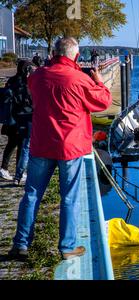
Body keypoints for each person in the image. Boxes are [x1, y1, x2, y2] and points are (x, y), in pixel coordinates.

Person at [9, 37, 112, 261]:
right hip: (70, 146)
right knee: (69, 198)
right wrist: (99, 81)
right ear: (75, 56)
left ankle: (21, 243)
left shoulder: (37, 77)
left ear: (54, 53)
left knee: (32, 194)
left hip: (42, 143)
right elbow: (103, 102)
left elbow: (34, 93)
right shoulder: (79, 79)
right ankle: (67, 247)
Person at [0, 60, 34, 183]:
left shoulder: (11, 80)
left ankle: (5, 169)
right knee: (20, 145)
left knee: (11, 144)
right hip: (20, 119)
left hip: (10, 119)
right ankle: (17, 172)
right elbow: (26, 101)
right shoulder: (24, 83)